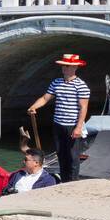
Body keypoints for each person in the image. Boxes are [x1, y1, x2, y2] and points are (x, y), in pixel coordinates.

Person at [27, 53, 90, 183]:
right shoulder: (56, 82)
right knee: (61, 154)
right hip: (58, 125)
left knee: (72, 156)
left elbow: (83, 107)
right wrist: (34, 107)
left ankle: (72, 182)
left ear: (75, 68)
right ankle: (65, 181)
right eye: (63, 66)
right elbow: (45, 98)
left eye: (67, 66)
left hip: (72, 125)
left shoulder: (81, 85)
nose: (64, 68)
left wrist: (78, 128)